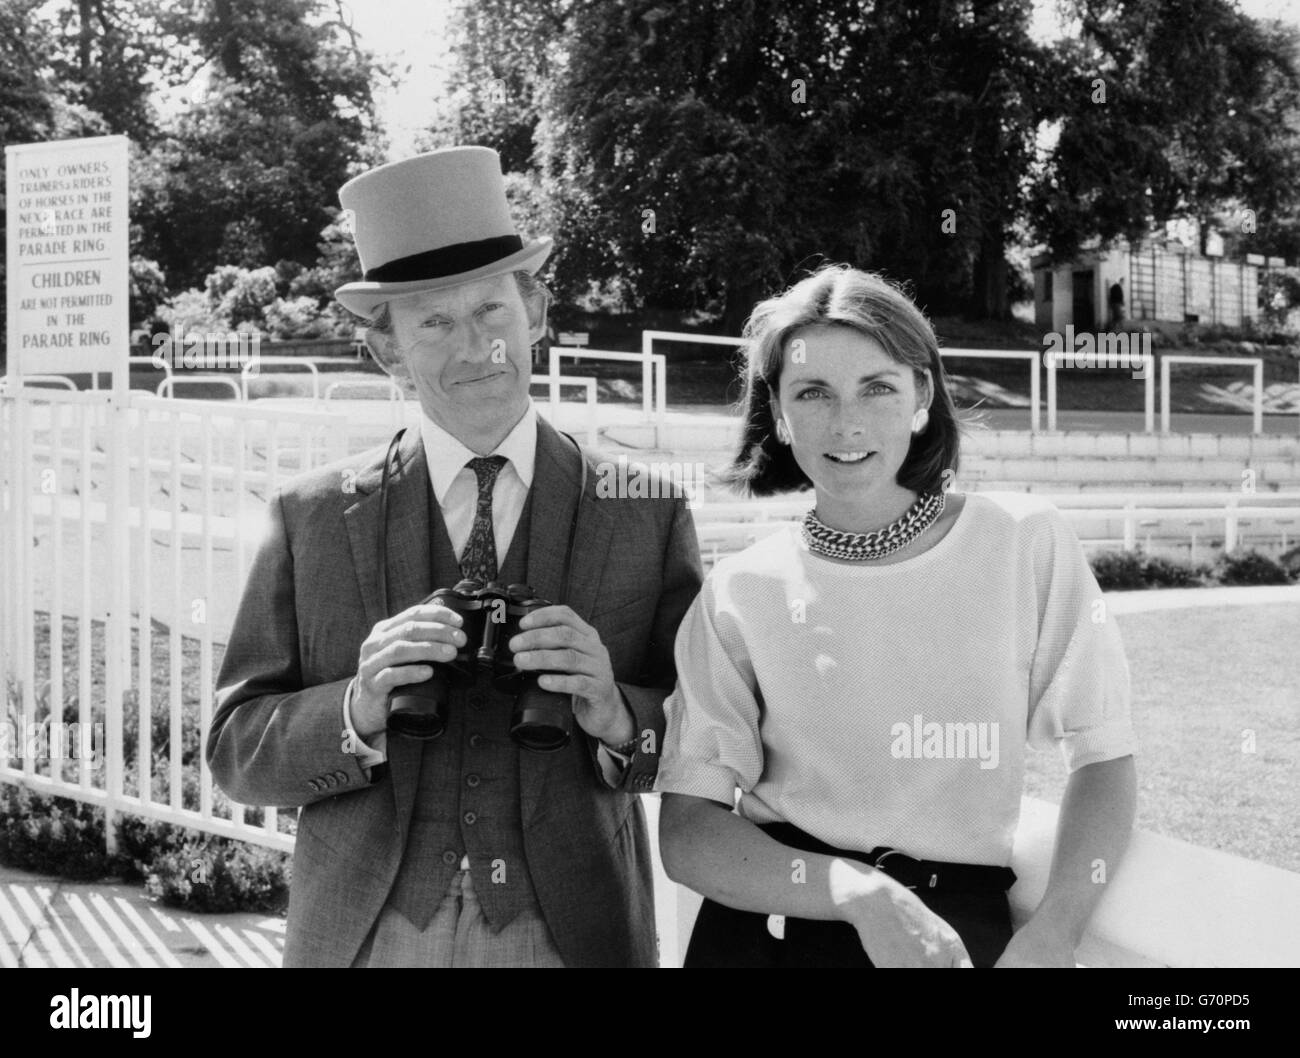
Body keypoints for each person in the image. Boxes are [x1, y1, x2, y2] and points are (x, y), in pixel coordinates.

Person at [206, 147, 703, 968]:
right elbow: (236, 750)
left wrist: (616, 712)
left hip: (572, 929)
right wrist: (356, 710)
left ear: (536, 312)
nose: (474, 347)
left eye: (491, 311)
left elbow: (702, 738)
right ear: (387, 352)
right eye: (432, 322)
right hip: (367, 933)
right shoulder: (310, 518)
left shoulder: (645, 508)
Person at [655, 264, 1138, 968]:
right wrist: (856, 893)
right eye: (813, 393)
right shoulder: (739, 591)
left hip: (956, 938)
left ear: (922, 394)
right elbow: (688, 833)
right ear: (780, 415)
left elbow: (1104, 754)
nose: (846, 422)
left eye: (877, 387)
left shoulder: (1024, 542)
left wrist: (1056, 930)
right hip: (770, 937)